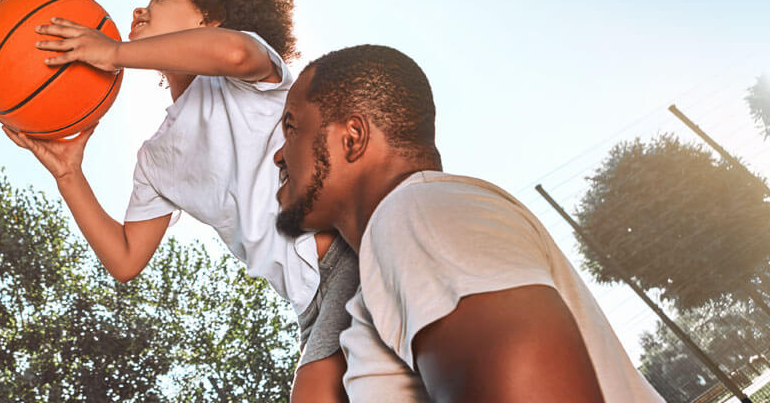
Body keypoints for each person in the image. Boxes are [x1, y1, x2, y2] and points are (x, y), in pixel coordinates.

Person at [5, 0, 355, 402]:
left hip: (347, 251)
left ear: (211, 19)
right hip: (308, 302)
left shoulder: (247, 78)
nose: (139, 10)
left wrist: (115, 52)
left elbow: (234, 52)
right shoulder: (156, 158)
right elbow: (126, 259)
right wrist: (69, 174)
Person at [273, 44, 664, 402]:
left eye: (292, 128)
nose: (279, 155)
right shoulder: (398, 248)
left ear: (352, 138)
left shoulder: (417, 215)